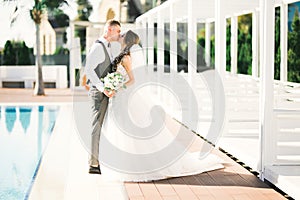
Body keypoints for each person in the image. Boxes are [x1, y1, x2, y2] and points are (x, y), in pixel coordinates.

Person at [96, 30, 224, 182]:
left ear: (126, 40)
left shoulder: (126, 57)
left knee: (128, 129)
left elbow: (132, 80)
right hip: (121, 98)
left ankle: (136, 165)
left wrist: (117, 87)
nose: (120, 36)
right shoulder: (124, 55)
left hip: (125, 96)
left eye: (122, 35)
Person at [84, 19, 121, 174]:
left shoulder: (107, 46)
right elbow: (89, 70)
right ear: (109, 30)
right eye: (118, 31)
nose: (119, 34)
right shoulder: (98, 47)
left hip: (104, 92)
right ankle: (93, 164)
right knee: (96, 126)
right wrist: (103, 88)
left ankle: (98, 160)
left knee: (101, 126)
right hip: (98, 93)